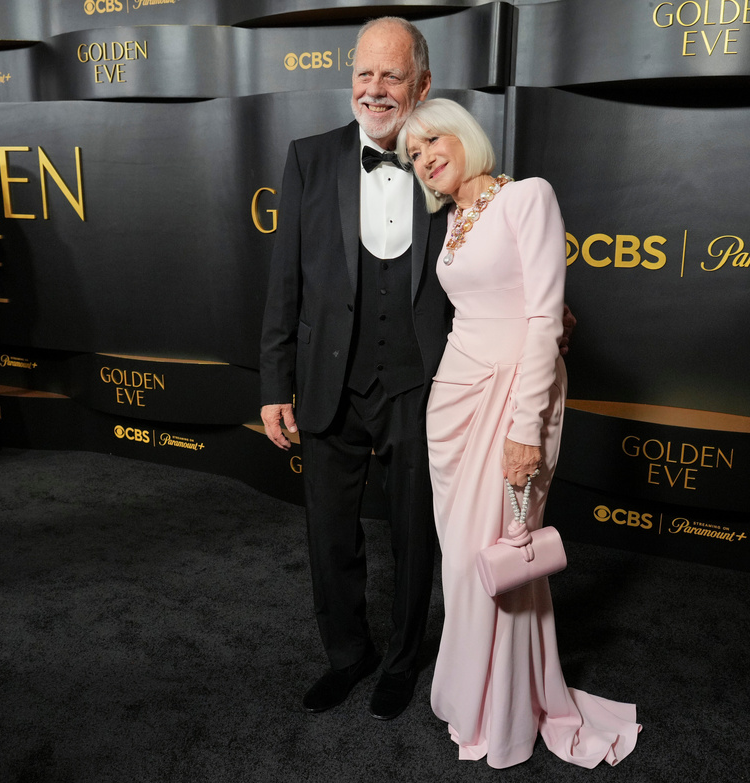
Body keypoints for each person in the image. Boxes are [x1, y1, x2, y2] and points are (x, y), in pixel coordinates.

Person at [398, 98, 641, 768]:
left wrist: (526, 426)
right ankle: (475, 695)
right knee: (463, 561)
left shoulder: (527, 197)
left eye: (433, 141)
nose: (425, 159)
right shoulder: (451, 220)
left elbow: (542, 316)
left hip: (513, 401)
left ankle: (501, 713)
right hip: (453, 401)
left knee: (502, 556)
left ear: (465, 136)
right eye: (413, 154)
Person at [259, 17, 447, 721]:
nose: (374, 88)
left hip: (418, 380)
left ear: (421, 85)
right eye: (364, 73)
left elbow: (492, 255)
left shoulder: (447, 161)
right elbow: (284, 280)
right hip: (327, 377)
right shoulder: (309, 158)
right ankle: (348, 654)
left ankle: (401, 661)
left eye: (391, 75)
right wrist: (274, 383)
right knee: (330, 532)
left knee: (414, 533)